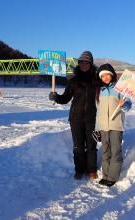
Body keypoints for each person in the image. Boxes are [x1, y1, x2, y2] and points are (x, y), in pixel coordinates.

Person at [49, 51, 98, 180]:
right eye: (81, 61)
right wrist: (56, 97)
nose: (83, 64)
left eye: (86, 62)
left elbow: (106, 94)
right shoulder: (74, 81)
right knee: (78, 146)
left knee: (92, 145)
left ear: (91, 63)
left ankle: (92, 169)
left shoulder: (96, 80)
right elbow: (65, 98)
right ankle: (79, 169)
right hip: (75, 118)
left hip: (91, 118)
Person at [95, 63, 132, 187]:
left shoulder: (120, 89)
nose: (105, 77)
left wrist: (124, 104)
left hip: (116, 125)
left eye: (107, 75)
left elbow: (128, 107)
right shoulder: (99, 91)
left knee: (115, 151)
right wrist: (96, 129)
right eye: (103, 75)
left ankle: (112, 177)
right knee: (105, 151)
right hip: (103, 127)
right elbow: (98, 112)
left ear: (112, 76)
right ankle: (105, 175)